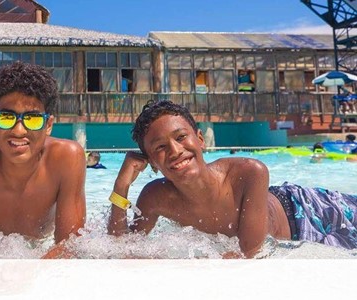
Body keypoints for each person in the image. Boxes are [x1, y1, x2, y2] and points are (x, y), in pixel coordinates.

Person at [107, 100, 357, 258]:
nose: (174, 150)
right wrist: (122, 186)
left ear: (200, 139)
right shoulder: (155, 197)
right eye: (160, 147)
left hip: (309, 210)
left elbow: (249, 252)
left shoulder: (249, 172)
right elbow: (122, 247)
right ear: (151, 162)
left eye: (181, 137)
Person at [0, 61, 86, 257]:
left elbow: (69, 245)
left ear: (48, 125)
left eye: (32, 119)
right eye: (7, 117)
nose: (18, 130)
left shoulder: (67, 158)